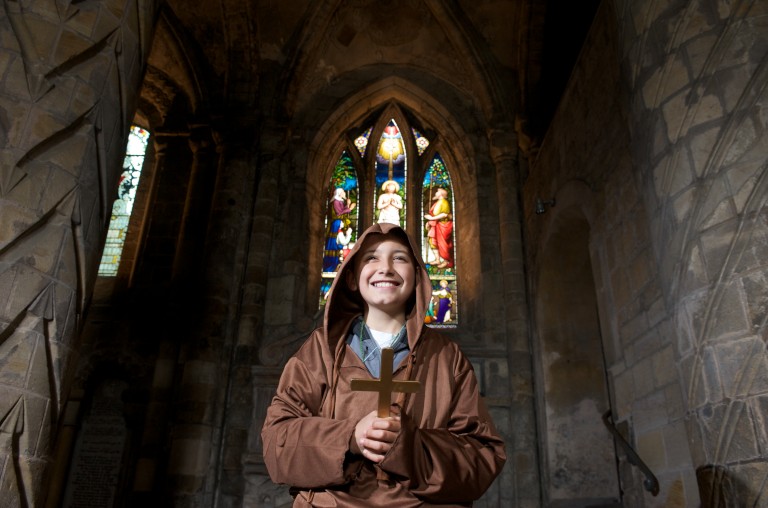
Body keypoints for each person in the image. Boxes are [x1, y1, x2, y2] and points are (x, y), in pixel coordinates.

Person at [262, 223, 506, 506]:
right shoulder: (320, 350)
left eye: (400, 258)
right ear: (352, 278)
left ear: (417, 277)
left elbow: (482, 457)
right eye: (371, 258)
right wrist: (351, 437)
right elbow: (277, 441)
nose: (386, 268)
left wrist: (408, 446)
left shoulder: (447, 356)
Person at [424, 187, 453, 268]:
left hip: (443, 225)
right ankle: (437, 259)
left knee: (442, 243)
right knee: (432, 241)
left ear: (441, 194)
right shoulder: (437, 202)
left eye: (437, 192)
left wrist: (431, 219)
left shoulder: (444, 202)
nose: (435, 193)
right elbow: (434, 214)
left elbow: (444, 214)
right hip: (435, 225)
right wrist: (429, 222)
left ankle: (446, 260)